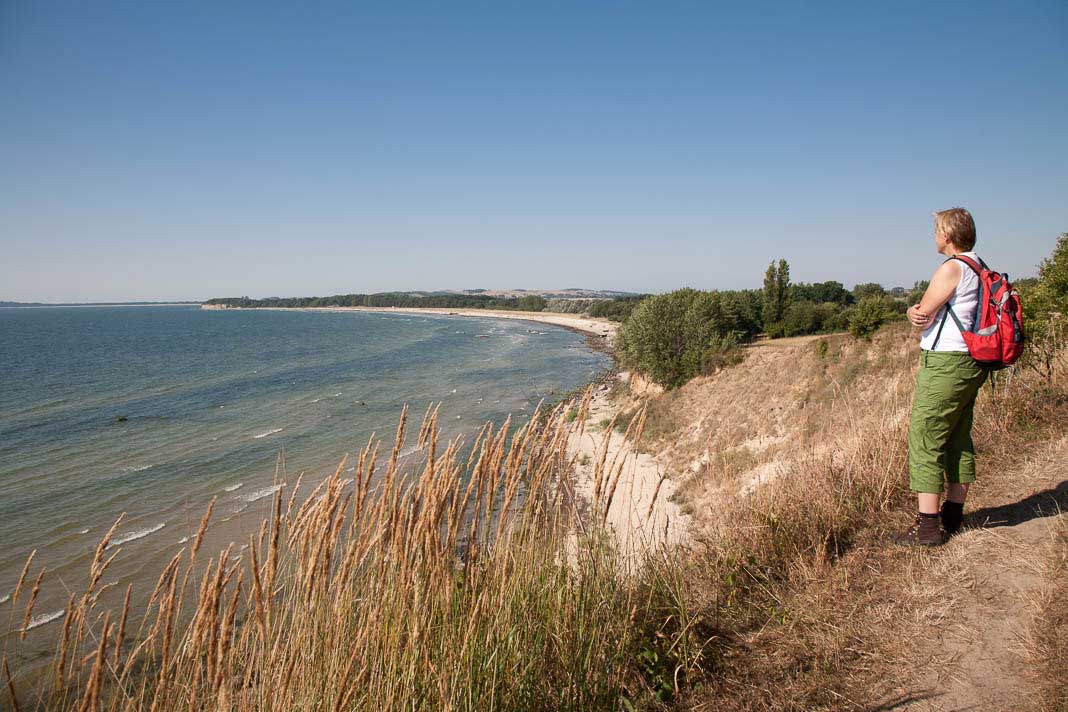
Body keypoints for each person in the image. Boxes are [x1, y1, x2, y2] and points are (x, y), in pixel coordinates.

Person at [895, 207, 988, 546]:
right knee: (958, 435)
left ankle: (929, 528)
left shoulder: (952, 268)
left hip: (947, 363)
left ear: (946, 236)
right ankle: (953, 515)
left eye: (936, 230)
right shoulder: (980, 267)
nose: (934, 236)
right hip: (972, 363)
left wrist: (910, 311)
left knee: (926, 436)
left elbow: (922, 314)